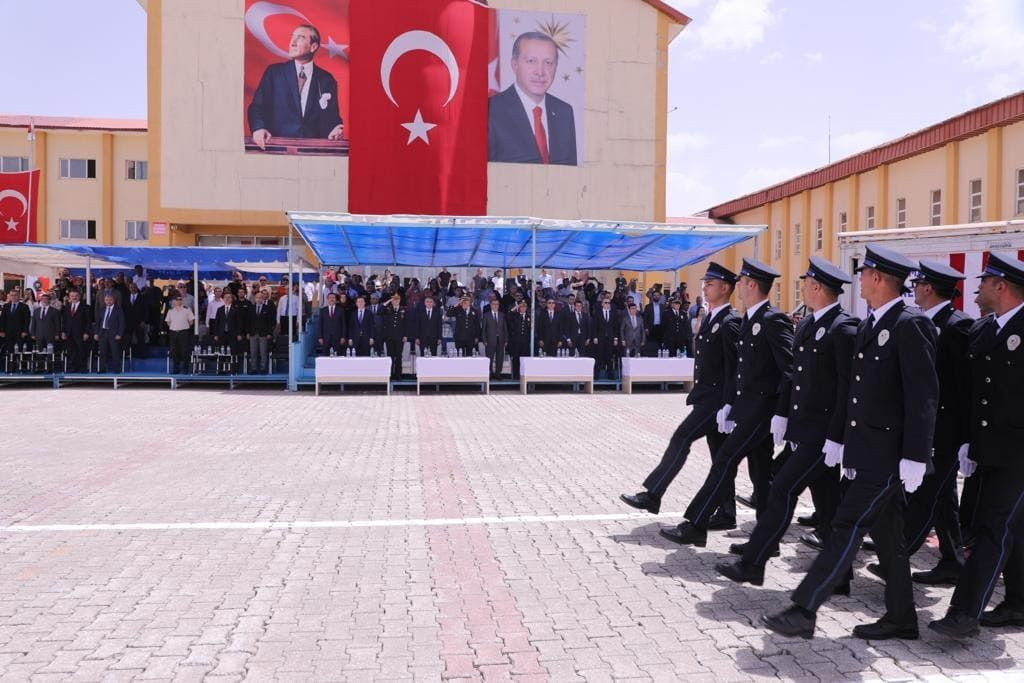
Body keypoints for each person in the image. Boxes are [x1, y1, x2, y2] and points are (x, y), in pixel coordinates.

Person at [763, 244, 938, 641]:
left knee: (846, 524)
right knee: (888, 535)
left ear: (878, 278)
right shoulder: (873, 323)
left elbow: (924, 395)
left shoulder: (910, 324)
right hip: (868, 448)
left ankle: (804, 608)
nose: (859, 281)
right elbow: (856, 390)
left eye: (864, 274)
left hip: (889, 455)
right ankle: (902, 618)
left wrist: (916, 455)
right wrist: (841, 439)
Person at [716, 257, 857, 593]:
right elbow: (794, 377)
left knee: (782, 487)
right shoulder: (807, 324)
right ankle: (840, 577)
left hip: (824, 434)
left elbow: (847, 389)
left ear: (818, 287)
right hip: (805, 429)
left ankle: (753, 563)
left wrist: (839, 437)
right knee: (828, 503)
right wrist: (783, 414)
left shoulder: (843, 328)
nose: (803, 288)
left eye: (806, 283)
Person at [660, 258, 794, 545]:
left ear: (752, 285)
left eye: (742, 282)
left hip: (762, 411)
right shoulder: (750, 319)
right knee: (761, 474)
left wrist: (782, 413)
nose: (738, 286)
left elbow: (790, 370)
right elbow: (740, 370)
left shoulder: (772, 320)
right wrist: (730, 404)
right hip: (748, 409)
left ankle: (696, 524)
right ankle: (765, 542)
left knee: (725, 460)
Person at [929, 252, 1024, 638]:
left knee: (992, 528)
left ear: (1001, 286)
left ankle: (965, 612)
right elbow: (972, 393)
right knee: (1013, 527)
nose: (977, 286)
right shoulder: (983, 329)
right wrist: (967, 440)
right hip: (986, 449)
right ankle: (1018, 603)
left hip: (1018, 453)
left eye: (984, 280)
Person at [867, 260, 973, 587]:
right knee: (943, 497)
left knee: (926, 495)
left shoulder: (957, 325)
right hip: (933, 425)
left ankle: (896, 558)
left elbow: (964, 385)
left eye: (918, 284)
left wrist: (966, 436)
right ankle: (953, 561)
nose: (914, 290)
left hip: (946, 428)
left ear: (928, 288)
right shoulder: (925, 320)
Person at [621, 263, 741, 524]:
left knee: (681, 437)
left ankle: (654, 493)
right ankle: (727, 512)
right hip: (708, 399)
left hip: (716, 401)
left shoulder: (730, 322)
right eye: (705, 284)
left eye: (710, 284)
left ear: (725, 288)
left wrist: (729, 405)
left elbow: (735, 368)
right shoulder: (713, 317)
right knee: (720, 457)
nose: (705, 288)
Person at [247, 24, 344, 149]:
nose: (293, 42)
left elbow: (332, 119)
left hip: (312, 152)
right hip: (277, 149)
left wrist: (336, 129)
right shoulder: (274, 73)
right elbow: (256, 108)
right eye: (292, 37)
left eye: (300, 37)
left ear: (313, 47)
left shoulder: (327, 80)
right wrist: (258, 128)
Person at [487, 31, 578, 165]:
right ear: (514, 64)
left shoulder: (564, 112)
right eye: (531, 61)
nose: (540, 72)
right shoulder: (490, 111)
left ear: (556, 67)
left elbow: (570, 172)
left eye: (548, 63)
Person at [60, 290, 92, 373]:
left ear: (79, 297)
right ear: (69, 297)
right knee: (71, 351)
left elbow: (88, 321)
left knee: (81, 350)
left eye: (76, 296)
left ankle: (82, 368)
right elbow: (64, 320)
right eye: (72, 296)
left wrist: (86, 332)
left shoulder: (86, 307)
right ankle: (72, 368)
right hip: (69, 333)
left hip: (81, 333)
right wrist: (63, 332)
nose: (74, 297)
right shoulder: (67, 307)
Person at [94, 292, 126, 373]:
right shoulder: (102, 309)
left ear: (113, 300)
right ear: (104, 301)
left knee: (115, 351)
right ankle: (102, 369)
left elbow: (122, 323)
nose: (108, 301)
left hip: (114, 334)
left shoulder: (118, 310)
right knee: (102, 351)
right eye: (106, 300)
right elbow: (98, 322)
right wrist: (96, 333)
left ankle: (117, 369)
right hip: (103, 333)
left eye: (110, 300)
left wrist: (119, 334)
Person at [246, 290, 276, 373]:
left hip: (264, 334)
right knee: (253, 352)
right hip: (253, 334)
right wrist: (247, 332)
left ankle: (263, 368)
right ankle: (253, 368)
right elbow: (248, 321)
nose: (259, 299)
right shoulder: (251, 308)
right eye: (257, 298)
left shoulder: (267, 308)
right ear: (255, 299)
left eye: (260, 298)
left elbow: (271, 322)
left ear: (263, 299)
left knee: (263, 352)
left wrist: (269, 333)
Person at [165, 297, 195, 374]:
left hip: (183, 332)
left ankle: (185, 369)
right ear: (174, 301)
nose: (179, 301)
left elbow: (191, 322)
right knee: (174, 351)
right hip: (173, 332)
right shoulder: (170, 311)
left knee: (184, 351)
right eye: (177, 299)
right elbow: (168, 322)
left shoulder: (187, 310)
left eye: (180, 299)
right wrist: (175, 327)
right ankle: (176, 369)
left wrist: (183, 326)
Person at [592, 297, 619, 379]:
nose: (607, 304)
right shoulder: (597, 313)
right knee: (599, 356)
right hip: (600, 338)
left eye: (608, 303)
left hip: (610, 338)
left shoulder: (613, 314)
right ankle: (596, 375)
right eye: (605, 302)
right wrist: (595, 337)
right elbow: (594, 326)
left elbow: (616, 327)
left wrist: (615, 338)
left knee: (609, 356)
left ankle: (610, 375)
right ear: (602, 304)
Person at [382, 292, 407, 379]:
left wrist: (405, 335)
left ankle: (398, 374)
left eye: (397, 299)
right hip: (389, 337)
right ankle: (390, 374)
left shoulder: (404, 309)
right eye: (394, 299)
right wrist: (388, 301)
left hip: (400, 337)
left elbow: (407, 324)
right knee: (390, 356)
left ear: (400, 300)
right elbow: (379, 311)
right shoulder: (388, 309)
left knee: (399, 356)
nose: (395, 301)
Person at [482, 298, 508, 379]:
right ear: (491, 305)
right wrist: (484, 340)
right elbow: (483, 329)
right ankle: (489, 373)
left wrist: (506, 339)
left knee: (500, 358)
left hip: (500, 340)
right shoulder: (486, 315)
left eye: (497, 304)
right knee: (489, 358)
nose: (496, 306)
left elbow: (505, 328)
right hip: (490, 340)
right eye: (494, 304)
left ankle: (498, 373)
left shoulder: (501, 315)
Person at [213, 292, 245, 358]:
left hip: (233, 334)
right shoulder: (220, 309)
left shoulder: (236, 309)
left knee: (233, 351)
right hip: (222, 334)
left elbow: (239, 323)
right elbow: (217, 323)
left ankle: (233, 364)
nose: (227, 299)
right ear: (223, 299)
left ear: (231, 299)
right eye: (225, 297)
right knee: (222, 351)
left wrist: (239, 334)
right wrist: (216, 334)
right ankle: (222, 364)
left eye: (229, 297)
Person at [507, 299, 531, 380]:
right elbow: (508, 315)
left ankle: (523, 376)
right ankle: (516, 377)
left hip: (525, 342)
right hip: (516, 342)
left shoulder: (529, 317)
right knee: (516, 359)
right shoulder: (515, 315)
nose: (523, 308)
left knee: (524, 360)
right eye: (521, 306)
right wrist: (516, 307)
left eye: (524, 306)